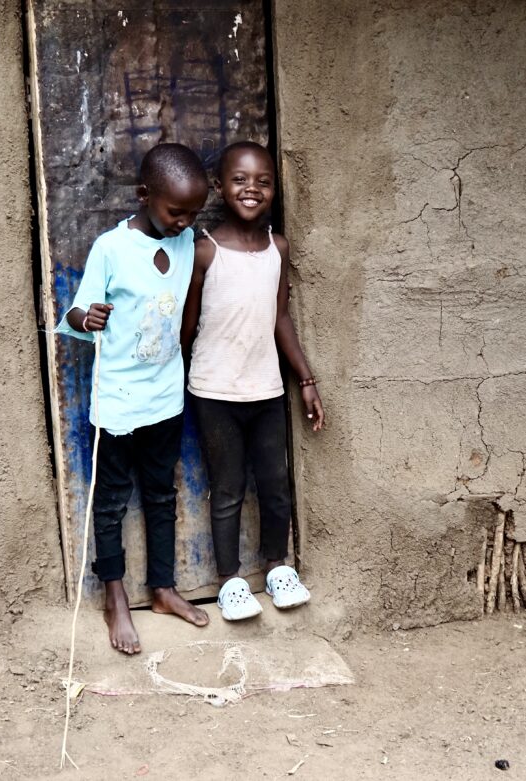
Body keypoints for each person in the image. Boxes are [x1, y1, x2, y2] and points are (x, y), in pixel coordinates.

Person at [56, 143, 211, 654]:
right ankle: (115, 597)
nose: (185, 221)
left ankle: (162, 588)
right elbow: (77, 313)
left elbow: (188, 299)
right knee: (111, 503)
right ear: (145, 196)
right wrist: (87, 317)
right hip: (119, 401)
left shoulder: (187, 241)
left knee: (162, 495)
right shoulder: (111, 248)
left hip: (165, 397)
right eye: (175, 211)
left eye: (193, 212)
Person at [182, 140, 325, 621]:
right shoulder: (205, 251)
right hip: (215, 392)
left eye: (263, 182)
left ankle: (277, 569)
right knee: (227, 489)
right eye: (240, 180)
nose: (252, 189)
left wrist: (305, 377)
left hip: (266, 390)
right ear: (221, 188)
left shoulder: (277, 249)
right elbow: (188, 324)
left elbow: (279, 316)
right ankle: (229, 582)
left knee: (275, 483)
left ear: (274, 190)